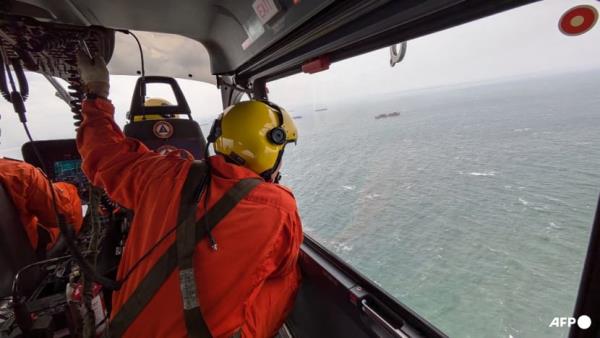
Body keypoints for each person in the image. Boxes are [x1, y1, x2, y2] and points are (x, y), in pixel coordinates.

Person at [76, 53, 302, 338]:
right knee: (287, 277)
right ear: (272, 147)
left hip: (126, 330)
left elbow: (102, 152)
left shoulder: (159, 173)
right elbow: (281, 267)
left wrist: (97, 91)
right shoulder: (279, 207)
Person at [0, 157, 83, 252]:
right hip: (26, 250)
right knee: (69, 191)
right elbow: (56, 218)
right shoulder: (19, 171)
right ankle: (72, 245)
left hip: (6, 259)